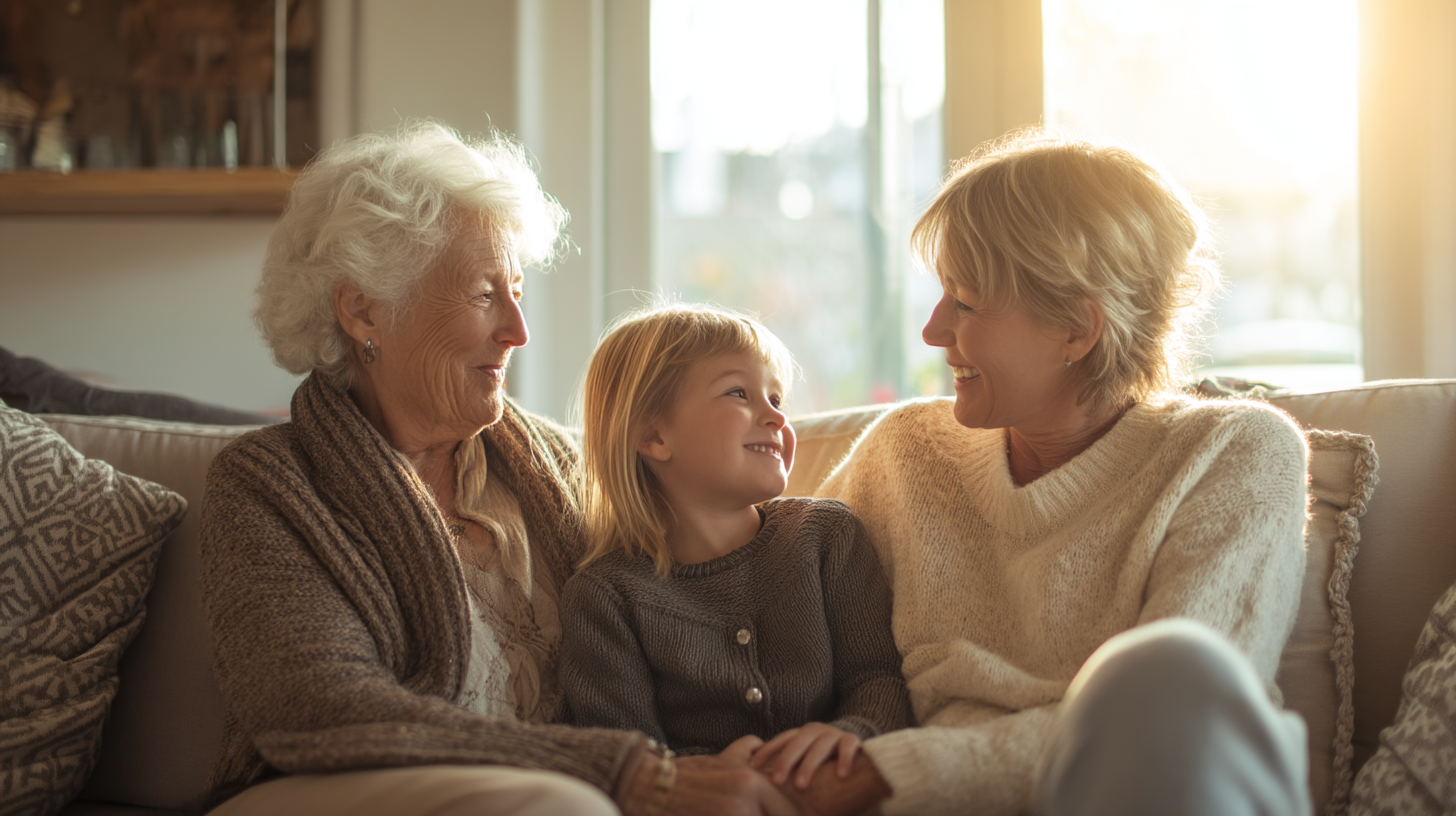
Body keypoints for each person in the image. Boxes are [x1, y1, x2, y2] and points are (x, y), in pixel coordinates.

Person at [197, 122, 794, 816]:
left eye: (517, 290)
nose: (518, 329)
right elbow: (321, 708)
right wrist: (626, 774)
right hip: (324, 791)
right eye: (485, 294)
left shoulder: (561, 465)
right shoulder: (268, 485)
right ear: (365, 309)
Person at [804, 131, 1314, 816]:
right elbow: (765, 617)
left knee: (1170, 673)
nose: (931, 330)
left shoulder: (1236, 454)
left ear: (1077, 329)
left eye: (966, 302)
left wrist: (886, 773)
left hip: (1151, 791)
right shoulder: (903, 453)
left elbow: (1175, 719)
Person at [560, 304, 913, 790]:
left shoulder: (827, 536)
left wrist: (851, 733)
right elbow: (625, 757)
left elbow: (880, 680)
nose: (775, 417)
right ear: (653, 434)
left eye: (776, 397)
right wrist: (711, 772)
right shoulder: (604, 598)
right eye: (739, 393)